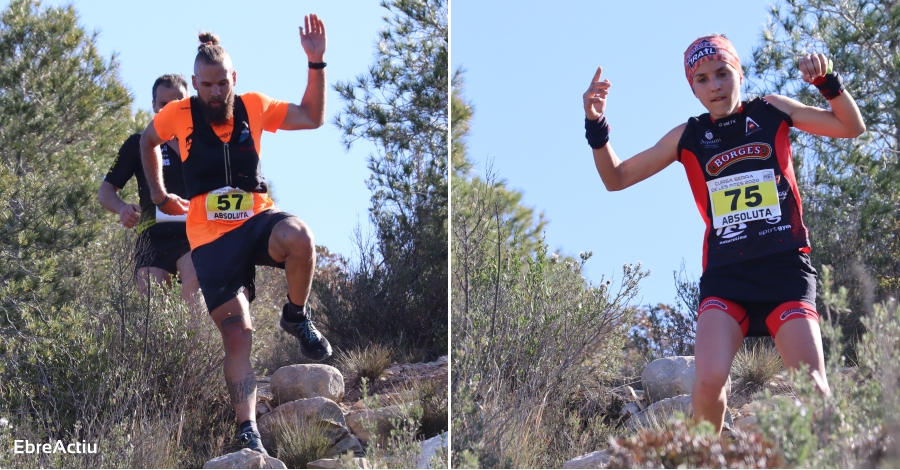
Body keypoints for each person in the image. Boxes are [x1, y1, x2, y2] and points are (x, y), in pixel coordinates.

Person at [582, 35, 865, 434]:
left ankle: (839, 456)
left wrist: (828, 82)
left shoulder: (772, 110)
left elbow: (851, 127)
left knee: (813, 386)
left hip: (785, 268)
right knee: (709, 379)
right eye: (702, 79)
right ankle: (705, 456)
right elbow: (617, 178)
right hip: (727, 276)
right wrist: (596, 126)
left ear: (740, 75)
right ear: (693, 89)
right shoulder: (689, 136)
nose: (714, 86)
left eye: (722, 73)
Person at [139, 14, 330, 456]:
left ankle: (295, 315)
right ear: (194, 84)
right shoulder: (177, 115)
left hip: (256, 219)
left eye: (222, 83)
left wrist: (316, 63)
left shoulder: (253, 106)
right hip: (210, 241)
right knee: (238, 334)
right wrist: (160, 195)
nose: (215, 92)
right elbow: (148, 141)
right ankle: (248, 428)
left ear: (234, 79)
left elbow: (312, 117)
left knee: (300, 236)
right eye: (207, 85)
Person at [99, 74, 200, 309]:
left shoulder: (204, 142)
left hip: (195, 233)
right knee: (151, 308)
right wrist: (121, 208)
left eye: (178, 102)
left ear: (189, 103)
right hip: (152, 237)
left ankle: (199, 336)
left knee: (195, 286)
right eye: (164, 104)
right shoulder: (139, 143)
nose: (171, 109)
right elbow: (105, 190)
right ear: (154, 106)